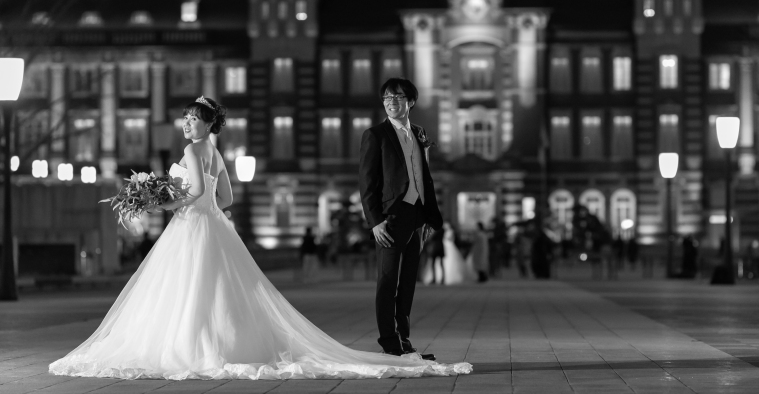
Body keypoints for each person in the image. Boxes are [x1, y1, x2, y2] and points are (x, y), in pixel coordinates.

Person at [50, 96, 470, 380]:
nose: (186, 123)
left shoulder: (194, 152)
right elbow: (226, 197)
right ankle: (219, 342)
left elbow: (197, 194)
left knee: (185, 290)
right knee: (218, 290)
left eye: (192, 119)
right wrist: (190, 198)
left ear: (207, 123)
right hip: (212, 226)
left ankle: (193, 347)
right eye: (186, 118)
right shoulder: (214, 152)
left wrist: (159, 204)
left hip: (192, 226)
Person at [359, 77, 445, 359]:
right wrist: (375, 222)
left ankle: (404, 339)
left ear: (410, 102)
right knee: (387, 281)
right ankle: (389, 341)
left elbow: (426, 178)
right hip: (391, 218)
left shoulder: (419, 133)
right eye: (386, 98)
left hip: (417, 216)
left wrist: (429, 217)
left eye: (397, 97)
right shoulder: (376, 135)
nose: (391, 103)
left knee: (408, 281)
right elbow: (367, 184)